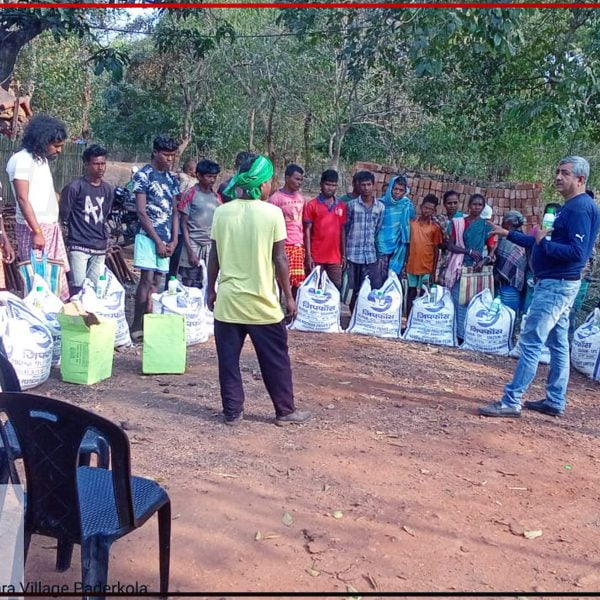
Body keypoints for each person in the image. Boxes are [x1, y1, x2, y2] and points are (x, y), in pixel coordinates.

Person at [480, 156, 600, 418]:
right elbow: (538, 241)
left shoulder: (580, 208)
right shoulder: (571, 207)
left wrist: (543, 243)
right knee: (558, 343)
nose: (558, 177)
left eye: (564, 173)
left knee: (532, 340)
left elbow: (576, 253)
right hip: (559, 284)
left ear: (580, 179)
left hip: (556, 286)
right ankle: (555, 400)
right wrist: (507, 233)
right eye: (557, 172)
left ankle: (511, 401)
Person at [207, 154, 311, 427]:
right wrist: (289, 297)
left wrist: (210, 289)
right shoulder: (272, 213)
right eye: (270, 180)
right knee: (275, 360)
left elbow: (214, 256)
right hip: (262, 303)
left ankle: (232, 412)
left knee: (228, 361)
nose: (272, 185)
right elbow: (280, 259)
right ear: (262, 183)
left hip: (228, 302)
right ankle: (285, 411)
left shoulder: (222, 211)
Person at [5, 114, 70, 300]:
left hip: (49, 228)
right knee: (39, 285)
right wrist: (37, 231)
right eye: (56, 146)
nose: (59, 150)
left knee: (54, 283)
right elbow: (23, 199)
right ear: (42, 140)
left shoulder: (40, 160)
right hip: (34, 230)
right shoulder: (21, 160)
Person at [129, 135, 180, 342]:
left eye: (173, 155)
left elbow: (176, 211)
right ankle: (136, 325)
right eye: (166, 155)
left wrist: (174, 240)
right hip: (147, 237)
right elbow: (141, 212)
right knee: (146, 280)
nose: (170, 159)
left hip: (167, 238)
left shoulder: (172, 179)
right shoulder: (143, 176)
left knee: (157, 283)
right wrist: (157, 241)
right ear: (156, 153)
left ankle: (150, 324)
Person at [59, 144, 114, 294]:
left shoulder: (108, 189)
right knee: (78, 287)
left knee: (96, 289)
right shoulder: (74, 187)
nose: (100, 168)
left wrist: (106, 239)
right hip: (79, 245)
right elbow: (64, 214)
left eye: (103, 163)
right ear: (86, 164)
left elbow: (104, 215)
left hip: (99, 246)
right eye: (96, 164)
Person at [443, 193, 496, 339]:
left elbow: (492, 249)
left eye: (480, 205)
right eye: (474, 204)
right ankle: (454, 334)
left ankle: (467, 336)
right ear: (469, 206)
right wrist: (469, 251)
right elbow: (451, 245)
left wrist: (483, 261)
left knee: (472, 303)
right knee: (456, 300)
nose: (477, 207)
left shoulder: (486, 226)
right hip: (459, 267)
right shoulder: (458, 222)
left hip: (476, 270)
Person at [345, 170, 385, 311]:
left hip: (370, 255)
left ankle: (362, 315)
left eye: (368, 185)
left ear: (373, 185)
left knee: (367, 288)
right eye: (363, 185)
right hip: (353, 254)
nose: (366, 188)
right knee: (353, 288)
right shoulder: (351, 205)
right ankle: (352, 316)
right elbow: (347, 227)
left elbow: (378, 229)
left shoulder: (380, 207)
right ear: (358, 186)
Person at [178, 159, 221, 288]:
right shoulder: (190, 194)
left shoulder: (216, 197)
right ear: (199, 176)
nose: (212, 180)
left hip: (209, 244)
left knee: (209, 281)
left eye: (214, 177)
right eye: (209, 176)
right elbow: (183, 224)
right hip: (192, 243)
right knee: (190, 281)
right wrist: (190, 251)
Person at [303, 169, 347, 290]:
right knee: (314, 289)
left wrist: (343, 255)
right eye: (328, 184)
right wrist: (308, 255)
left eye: (333, 185)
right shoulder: (312, 205)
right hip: (316, 256)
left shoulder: (341, 205)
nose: (330, 188)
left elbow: (342, 231)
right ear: (321, 184)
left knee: (335, 290)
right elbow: (307, 231)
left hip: (335, 258)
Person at [269, 163, 306, 296]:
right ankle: (278, 312)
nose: (299, 182)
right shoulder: (275, 199)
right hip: (282, 245)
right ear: (287, 178)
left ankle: (292, 314)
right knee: (279, 281)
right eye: (296, 179)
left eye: (301, 180)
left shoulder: (301, 199)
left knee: (297, 283)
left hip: (298, 246)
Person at [405, 194, 444, 316]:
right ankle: (408, 318)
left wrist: (433, 272)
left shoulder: (435, 228)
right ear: (421, 207)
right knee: (410, 293)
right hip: (412, 266)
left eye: (430, 209)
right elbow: (407, 245)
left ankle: (419, 318)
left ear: (434, 211)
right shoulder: (412, 223)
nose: (427, 211)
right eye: (425, 208)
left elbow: (436, 250)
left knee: (424, 294)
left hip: (426, 267)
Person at [375, 175, 416, 281]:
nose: (397, 192)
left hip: (399, 245)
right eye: (395, 189)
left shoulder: (407, 205)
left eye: (401, 190)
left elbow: (410, 224)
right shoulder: (380, 203)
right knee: (378, 277)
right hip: (381, 244)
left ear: (405, 191)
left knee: (393, 277)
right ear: (390, 188)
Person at [493, 210, 528, 315]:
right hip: (516, 280)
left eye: (503, 221)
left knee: (503, 312)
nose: (502, 224)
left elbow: (507, 261)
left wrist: (499, 274)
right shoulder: (523, 237)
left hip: (507, 281)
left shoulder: (508, 239)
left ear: (508, 223)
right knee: (509, 313)